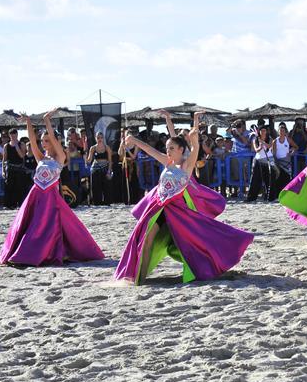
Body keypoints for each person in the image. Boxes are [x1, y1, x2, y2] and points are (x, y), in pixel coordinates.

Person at [115, 112, 254, 285]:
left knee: (190, 243)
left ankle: (208, 267)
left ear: (181, 149)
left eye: (171, 148)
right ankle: (139, 281)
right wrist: (135, 140)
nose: (167, 151)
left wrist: (195, 134)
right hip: (159, 209)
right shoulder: (168, 162)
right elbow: (150, 150)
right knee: (146, 239)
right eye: (167, 148)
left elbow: (195, 148)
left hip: (178, 212)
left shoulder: (187, 165)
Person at [0, 111, 104, 266]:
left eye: (47, 140)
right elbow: (32, 142)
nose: (44, 143)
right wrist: (28, 122)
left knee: (45, 228)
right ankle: (23, 253)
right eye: (43, 140)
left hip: (50, 199)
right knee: (29, 226)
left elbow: (54, 140)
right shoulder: (40, 158)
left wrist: (47, 121)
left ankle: (34, 255)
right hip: (35, 197)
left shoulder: (60, 158)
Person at [246, 126, 277, 202]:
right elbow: (256, 150)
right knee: (255, 179)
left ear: (266, 131)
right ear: (259, 132)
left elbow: (269, 146)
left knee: (269, 179)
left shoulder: (270, 139)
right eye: (261, 130)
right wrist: (260, 146)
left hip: (268, 159)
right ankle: (251, 197)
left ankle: (270, 197)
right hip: (258, 160)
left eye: (264, 130)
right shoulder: (255, 139)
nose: (263, 132)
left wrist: (263, 143)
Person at [1, 128, 27, 209]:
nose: (13, 136)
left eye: (14, 134)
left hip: (19, 168)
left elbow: (22, 156)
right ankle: (8, 205)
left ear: (17, 134)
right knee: (9, 187)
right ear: (9, 135)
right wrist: (3, 170)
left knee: (19, 187)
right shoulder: (6, 146)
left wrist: (16, 147)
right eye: (11, 135)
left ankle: (19, 204)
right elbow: (4, 159)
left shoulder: (21, 144)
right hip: (10, 168)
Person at [86, 131, 113, 206]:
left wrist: (109, 171)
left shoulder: (107, 147)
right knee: (96, 186)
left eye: (101, 137)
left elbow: (110, 161)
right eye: (98, 138)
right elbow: (89, 160)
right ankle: (97, 202)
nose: (99, 139)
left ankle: (107, 202)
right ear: (95, 138)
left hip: (105, 168)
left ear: (103, 138)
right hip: (95, 169)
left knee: (106, 186)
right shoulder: (93, 148)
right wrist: (84, 155)